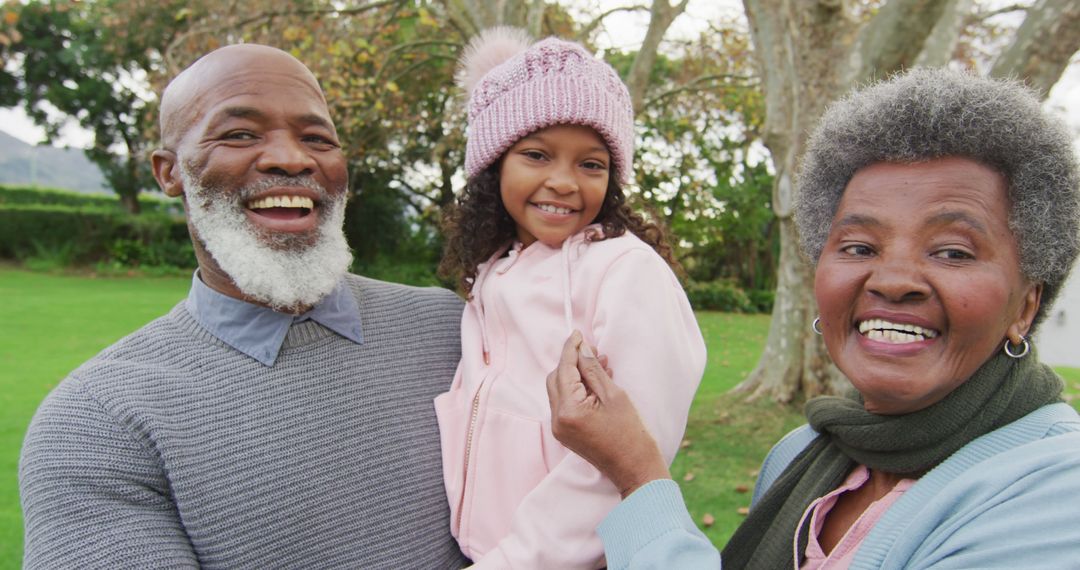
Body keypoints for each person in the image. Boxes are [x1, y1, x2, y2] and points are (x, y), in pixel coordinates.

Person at [547, 68, 1080, 569]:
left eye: (952, 252)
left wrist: (637, 474)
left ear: (1026, 306)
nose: (892, 280)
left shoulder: (1054, 494)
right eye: (858, 245)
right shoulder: (800, 454)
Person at [19, 44, 469, 569]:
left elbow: (570, 508)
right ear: (169, 173)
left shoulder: (451, 328)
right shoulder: (99, 421)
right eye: (239, 134)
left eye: (317, 138)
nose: (293, 158)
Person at [435, 28, 707, 568]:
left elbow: (626, 455)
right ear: (494, 166)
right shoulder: (493, 272)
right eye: (537, 154)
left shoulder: (626, 273)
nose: (563, 181)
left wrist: (515, 559)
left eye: (591, 164)